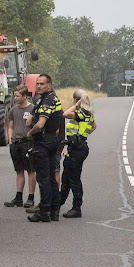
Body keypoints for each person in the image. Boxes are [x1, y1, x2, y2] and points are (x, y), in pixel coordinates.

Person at [25, 74, 62, 222]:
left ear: (49, 85)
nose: (39, 86)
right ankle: (55, 210)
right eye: (37, 84)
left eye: (42, 84)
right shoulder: (54, 99)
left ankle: (44, 211)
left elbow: (40, 124)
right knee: (51, 177)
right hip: (52, 140)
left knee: (43, 178)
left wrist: (30, 133)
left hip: (43, 141)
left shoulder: (46, 101)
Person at [59, 90, 97, 218]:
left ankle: (76, 207)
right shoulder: (88, 113)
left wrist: (76, 105)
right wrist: (82, 136)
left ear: (77, 100)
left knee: (73, 179)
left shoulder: (82, 112)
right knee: (67, 177)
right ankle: (58, 203)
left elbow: (65, 114)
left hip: (77, 149)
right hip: (76, 147)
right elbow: (94, 126)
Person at [4, 85, 36, 207]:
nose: (15, 98)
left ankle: (31, 197)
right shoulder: (13, 110)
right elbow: (10, 126)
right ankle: (18, 197)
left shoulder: (33, 109)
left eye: (17, 96)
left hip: (27, 142)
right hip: (15, 143)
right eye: (14, 96)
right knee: (19, 170)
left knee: (30, 170)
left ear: (24, 96)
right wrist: (10, 139)